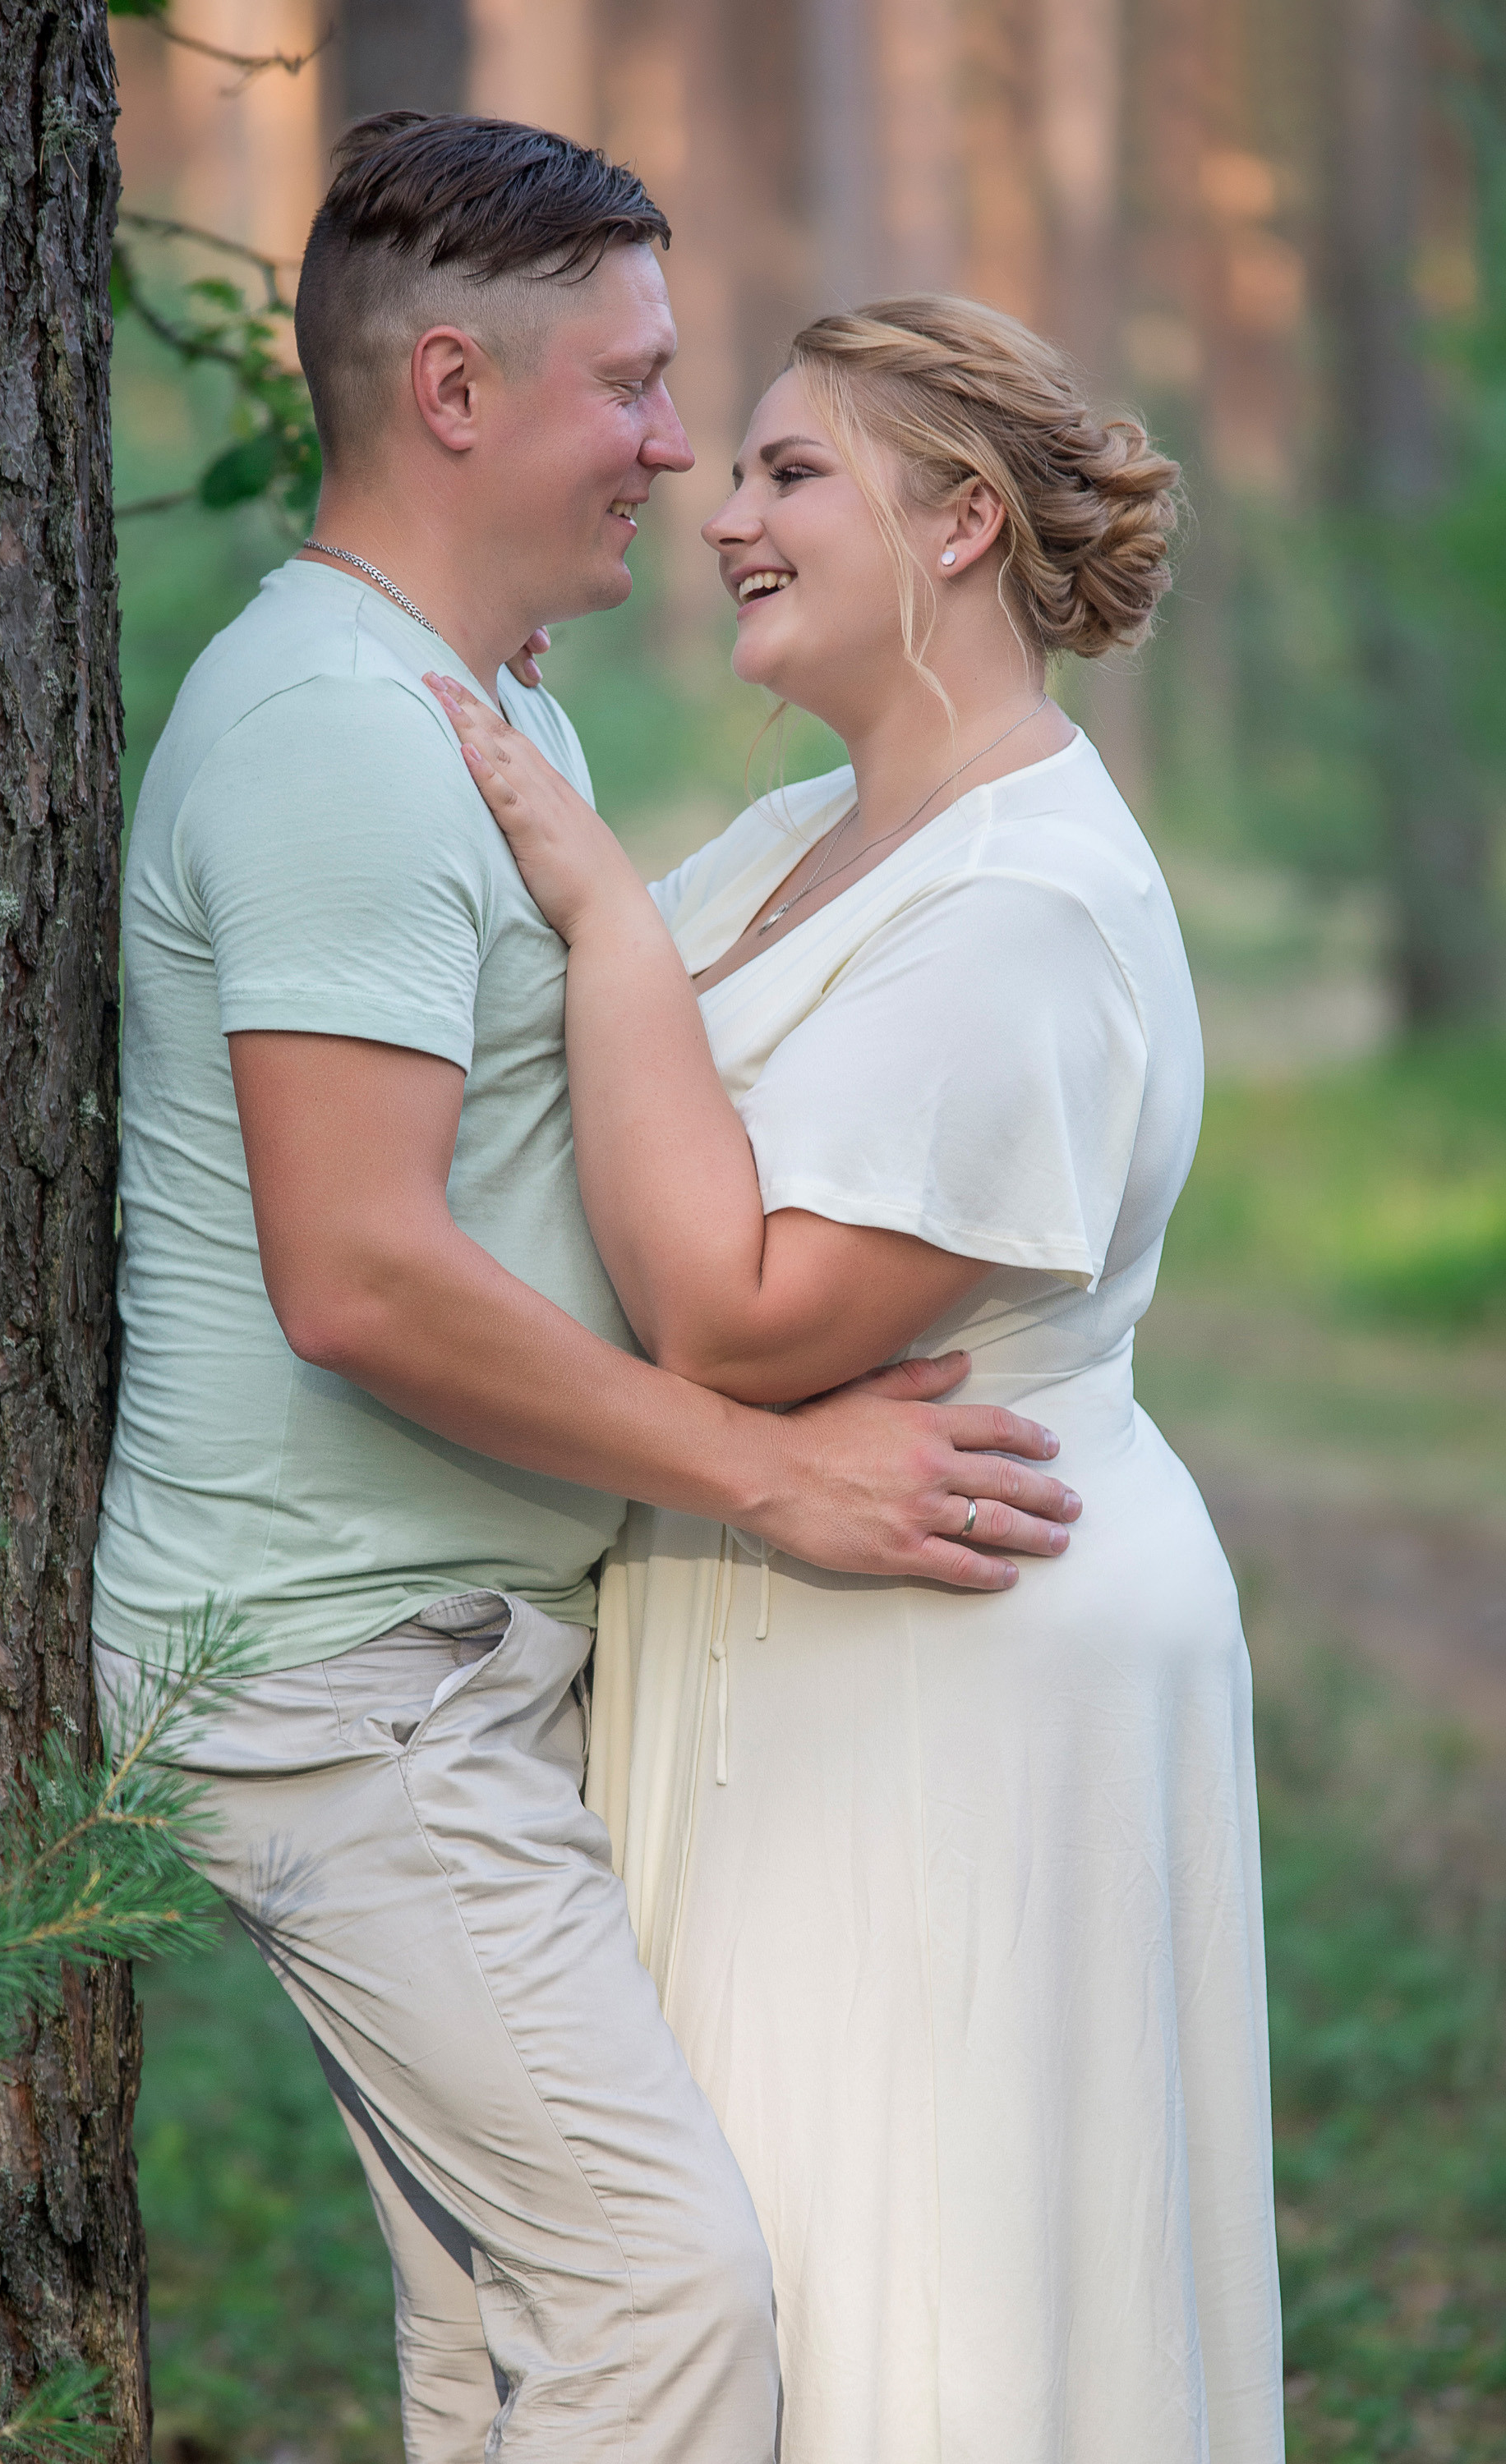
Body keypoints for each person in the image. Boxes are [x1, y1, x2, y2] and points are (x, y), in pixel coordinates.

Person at [90, 118, 1082, 2464]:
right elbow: (358, 1278)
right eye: (634, 387)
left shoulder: (482, 697)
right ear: (454, 390)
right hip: (342, 1683)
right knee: (661, 2298)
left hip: (434, 1659)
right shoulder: (340, 730)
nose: (674, 448)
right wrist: (769, 1473)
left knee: (514, 2335)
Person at [431, 293, 1287, 2462]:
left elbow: (730, 1310)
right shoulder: (812, 831)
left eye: (790, 471)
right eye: (735, 471)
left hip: (952, 1664)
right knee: (770, 2286)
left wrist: (610, 926)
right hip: (788, 1656)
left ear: (964, 521)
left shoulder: (1031, 910)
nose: (727, 513)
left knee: (932, 2301)